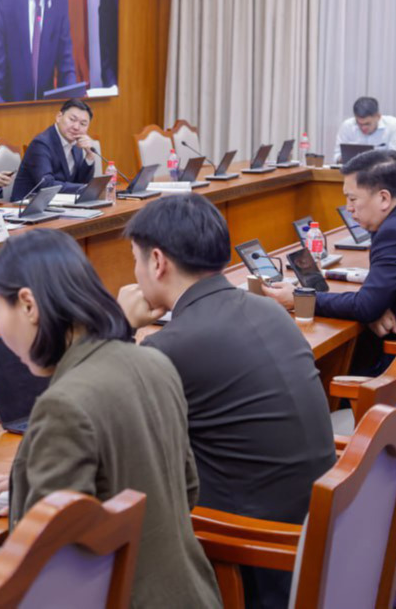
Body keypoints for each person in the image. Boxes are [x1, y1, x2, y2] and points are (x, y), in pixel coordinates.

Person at [0, 230, 220, 607]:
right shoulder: (154, 362)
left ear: (28, 305)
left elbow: (44, 571)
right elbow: (186, 489)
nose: (0, 333)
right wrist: (30, 489)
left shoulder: (65, 405)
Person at [117, 195, 335, 609]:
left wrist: (120, 328)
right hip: (319, 533)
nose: (135, 274)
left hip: (256, 557)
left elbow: (110, 429)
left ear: (157, 261)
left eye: (135, 260)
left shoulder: (171, 346)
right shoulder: (269, 310)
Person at [264, 150, 396, 372]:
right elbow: (371, 304)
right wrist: (377, 305)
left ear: (384, 198)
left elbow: (365, 307)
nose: (348, 208)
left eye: (353, 199)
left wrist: (298, 298)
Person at [11, 98, 96, 200]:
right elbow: (46, 184)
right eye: (72, 120)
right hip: (28, 205)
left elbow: (80, 182)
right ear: (59, 117)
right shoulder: (41, 143)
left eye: (83, 124)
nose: (76, 127)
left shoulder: (76, 143)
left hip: (60, 203)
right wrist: (85, 188)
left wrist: (89, 156)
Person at [332, 96, 396, 163]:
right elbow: (337, 156)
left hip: (383, 170)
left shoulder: (393, 125)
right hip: (354, 170)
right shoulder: (347, 126)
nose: (363, 128)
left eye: (367, 124)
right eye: (359, 124)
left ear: (378, 117)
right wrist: (346, 158)